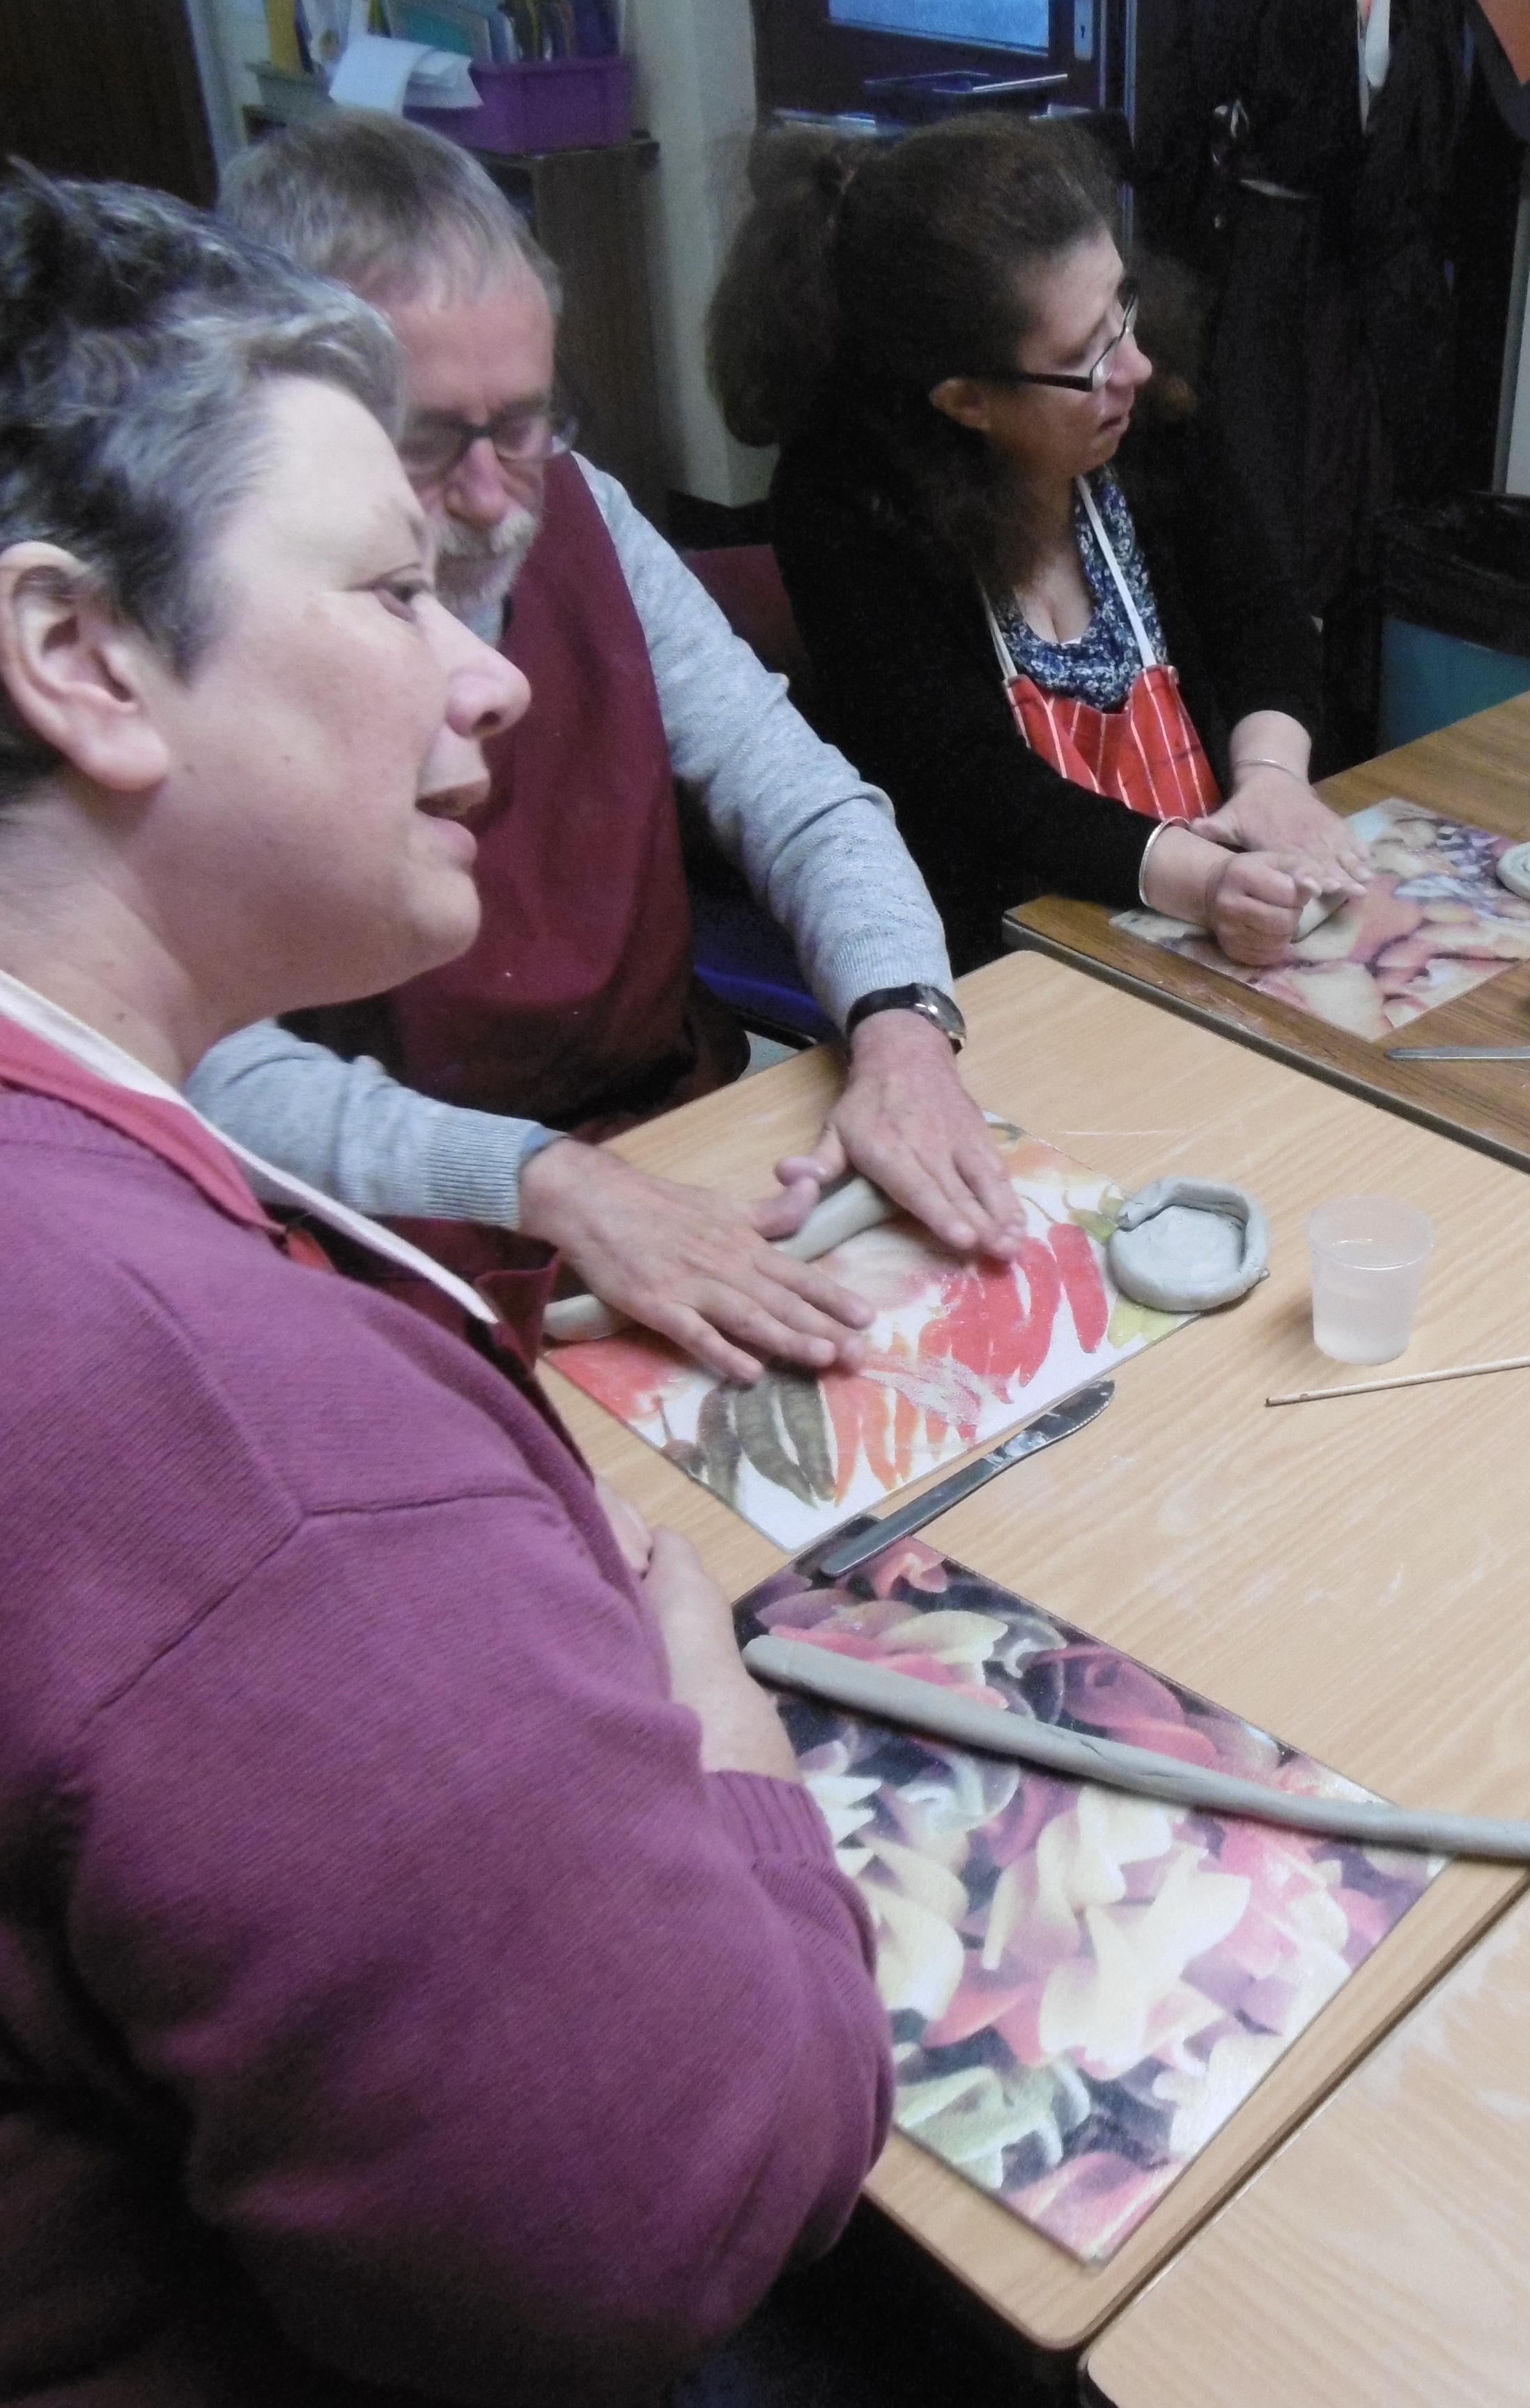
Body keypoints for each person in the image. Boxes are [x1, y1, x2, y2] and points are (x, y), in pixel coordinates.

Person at [0, 167, 890, 2401]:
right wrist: (724, 1744)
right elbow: (655, 2218)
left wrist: (905, 1020)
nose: (490, 662)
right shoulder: (234, 1432)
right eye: (395, 582)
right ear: (81, 657)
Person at [187, 111, 1022, 1388]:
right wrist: (546, 1180)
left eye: (523, 423)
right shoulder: (197, 631)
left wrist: (904, 1027)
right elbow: (189, 1061)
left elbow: (802, 800)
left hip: (680, 1129)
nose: (490, 497)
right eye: (425, 440)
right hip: (387, 1234)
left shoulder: (585, 515)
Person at [710, 114, 1365, 973]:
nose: (1133, 365)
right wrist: (1201, 881)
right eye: (1087, 354)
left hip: (1206, 899)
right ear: (967, 401)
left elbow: (1262, 618)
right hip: (1005, 946)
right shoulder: (846, 509)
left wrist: (1271, 777)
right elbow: (979, 789)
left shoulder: (1143, 414)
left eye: (1123, 305)